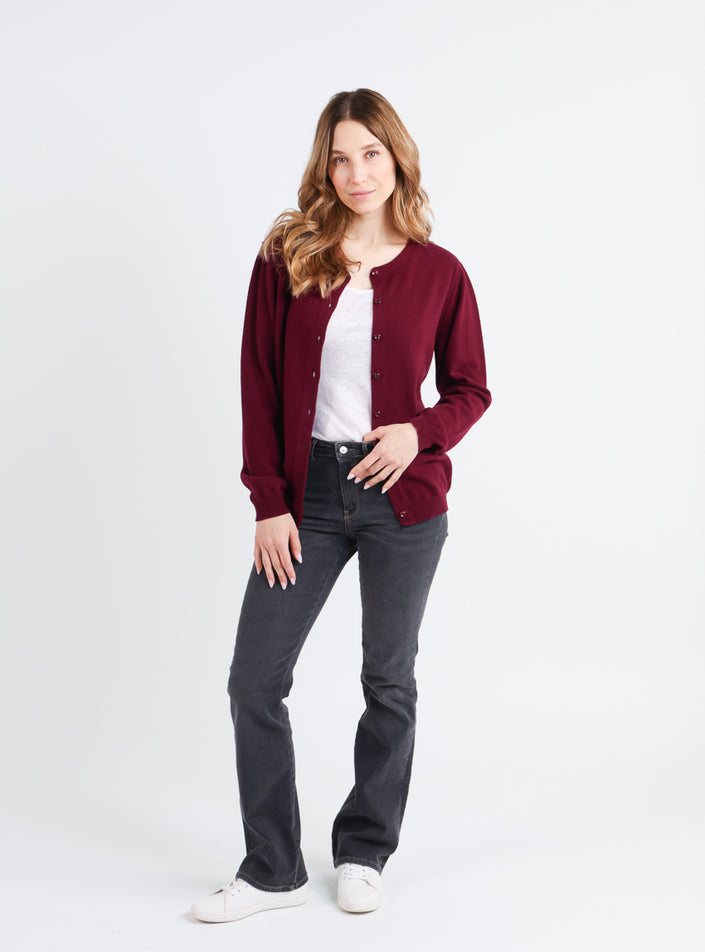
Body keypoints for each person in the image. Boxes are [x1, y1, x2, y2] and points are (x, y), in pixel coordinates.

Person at [191, 87, 491, 923]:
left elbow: (470, 389)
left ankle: (363, 850)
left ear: (396, 157)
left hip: (403, 499)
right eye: (339, 158)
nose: (356, 173)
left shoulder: (439, 271)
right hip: (308, 499)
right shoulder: (288, 254)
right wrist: (268, 501)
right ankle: (272, 870)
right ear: (324, 169)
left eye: (370, 153)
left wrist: (417, 433)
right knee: (254, 681)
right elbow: (257, 379)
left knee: (387, 679)